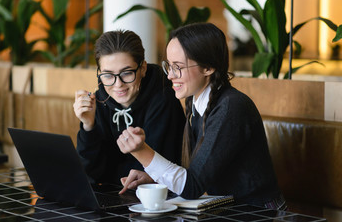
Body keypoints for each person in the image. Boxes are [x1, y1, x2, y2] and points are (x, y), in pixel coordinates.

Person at [116, 23, 286, 210]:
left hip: (259, 213)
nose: (170, 75)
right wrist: (153, 177)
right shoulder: (196, 102)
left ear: (208, 68)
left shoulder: (230, 108)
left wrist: (141, 151)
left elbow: (192, 187)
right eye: (169, 66)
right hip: (227, 211)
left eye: (178, 67)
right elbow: (199, 173)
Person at [73, 30, 185, 185]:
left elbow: (153, 172)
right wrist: (88, 126)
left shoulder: (163, 99)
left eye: (126, 73)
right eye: (108, 75)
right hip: (110, 195)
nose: (118, 84)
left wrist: (107, 173)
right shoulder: (99, 100)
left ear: (143, 69)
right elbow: (88, 172)